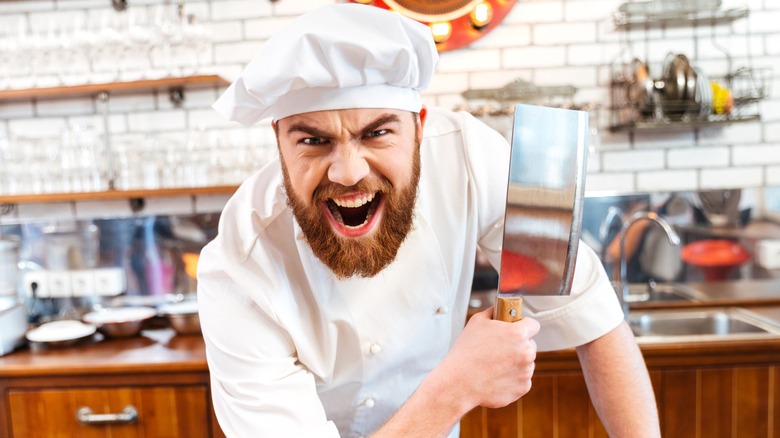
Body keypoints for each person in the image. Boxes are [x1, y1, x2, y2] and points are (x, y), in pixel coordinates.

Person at [198, 3, 659, 437]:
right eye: (313, 142)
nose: (349, 172)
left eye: (377, 133)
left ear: (420, 126)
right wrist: (455, 388)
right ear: (277, 140)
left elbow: (596, 321)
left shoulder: (472, 157)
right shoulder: (240, 267)